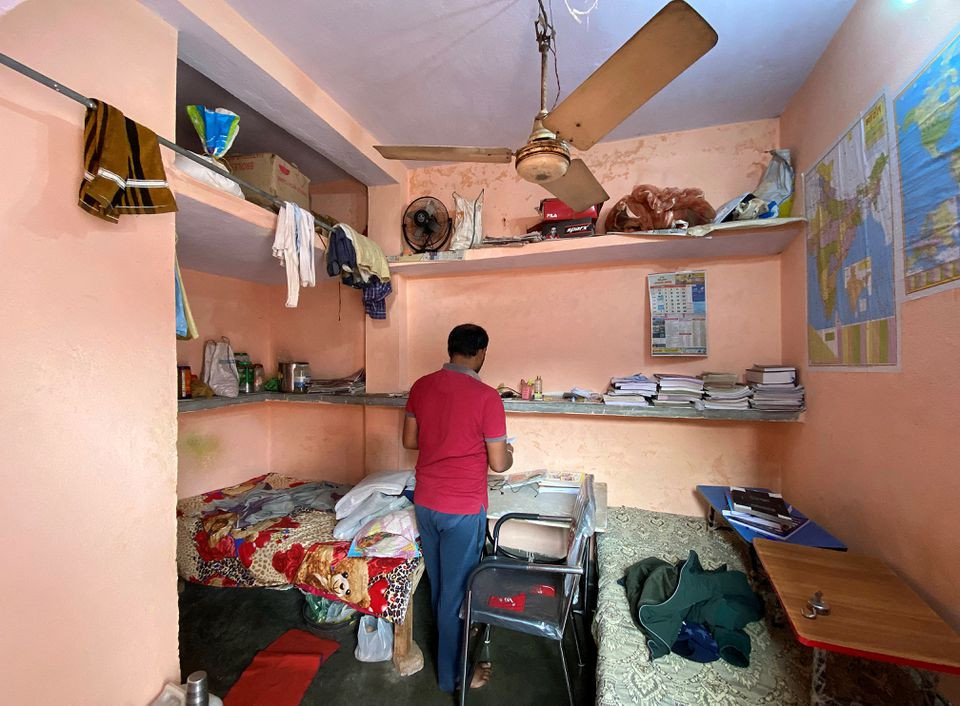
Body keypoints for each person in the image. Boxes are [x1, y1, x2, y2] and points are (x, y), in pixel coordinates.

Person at [402, 323, 513, 695]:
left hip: (426, 503)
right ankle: (456, 679)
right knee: (458, 595)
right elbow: (499, 464)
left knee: (439, 588)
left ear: (451, 350)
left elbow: (409, 440)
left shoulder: (421, 386)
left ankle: (450, 661)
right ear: (481, 353)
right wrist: (508, 451)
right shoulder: (487, 398)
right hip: (463, 509)